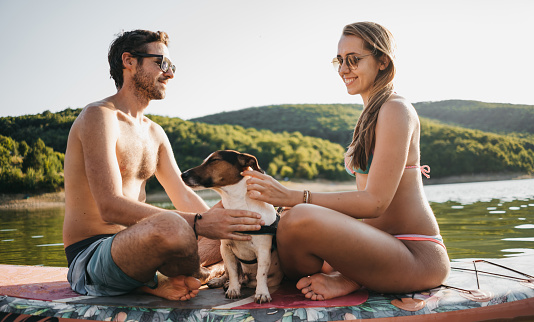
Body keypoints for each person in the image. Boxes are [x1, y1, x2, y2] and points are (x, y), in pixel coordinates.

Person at [242, 21, 450, 300]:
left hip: (416, 253)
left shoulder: (395, 109)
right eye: (339, 61)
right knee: (288, 222)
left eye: (353, 60)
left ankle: (349, 278)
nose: (343, 69)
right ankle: (344, 275)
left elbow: (375, 202)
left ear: (382, 61)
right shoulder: (370, 114)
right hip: (377, 247)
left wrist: (294, 195)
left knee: (299, 215)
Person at [63, 30, 264, 301]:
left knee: (237, 212)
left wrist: (224, 222)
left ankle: (203, 272)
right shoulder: (99, 117)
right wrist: (203, 224)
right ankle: (202, 274)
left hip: (143, 244)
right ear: (129, 62)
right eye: (162, 63)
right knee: (173, 225)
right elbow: (109, 206)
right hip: (92, 255)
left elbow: (182, 194)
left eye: (172, 67)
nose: (170, 74)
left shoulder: (154, 132)